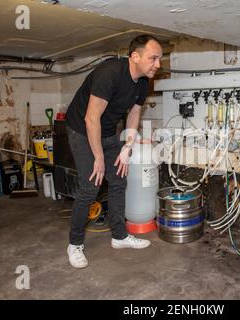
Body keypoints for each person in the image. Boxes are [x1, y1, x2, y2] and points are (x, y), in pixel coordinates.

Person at [65, 35, 163, 268]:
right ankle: (74, 243)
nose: (158, 65)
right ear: (135, 56)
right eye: (153, 58)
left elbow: (134, 113)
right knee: (90, 186)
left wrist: (126, 147)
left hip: (108, 130)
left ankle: (119, 236)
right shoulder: (109, 74)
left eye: (160, 59)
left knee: (119, 180)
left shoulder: (141, 81)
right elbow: (91, 119)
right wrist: (98, 157)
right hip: (82, 128)